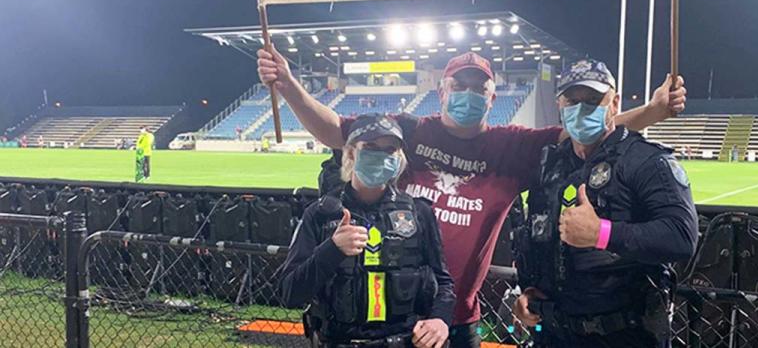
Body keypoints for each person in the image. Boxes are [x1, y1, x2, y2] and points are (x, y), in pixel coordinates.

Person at [258, 48, 686, 348]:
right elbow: (335, 129)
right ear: (441, 92)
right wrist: (289, 84)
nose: (467, 95)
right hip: (391, 320)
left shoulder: (511, 146)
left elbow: (585, 129)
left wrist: (653, 112)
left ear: (491, 98)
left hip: (458, 320)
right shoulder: (408, 131)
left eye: (478, 89)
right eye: (458, 86)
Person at [512, 59, 698, 347]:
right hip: (554, 334)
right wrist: (528, 292)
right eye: (572, 100)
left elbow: (682, 236)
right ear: (560, 105)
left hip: (626, 336)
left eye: (593, 100)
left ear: (615, 103)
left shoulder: (647, 160)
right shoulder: (549, 167)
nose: (581, 109)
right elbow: (539, 239)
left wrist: (602, 233)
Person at [279, 114, 454, 348]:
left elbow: (444, 283)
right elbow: (289, 293)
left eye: (389, 149)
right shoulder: (320, 214)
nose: (380, 156)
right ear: (351, 152)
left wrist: (440, 319)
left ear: (398, 157)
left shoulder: (419, 212)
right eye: (370, 147)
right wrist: (332, 250)